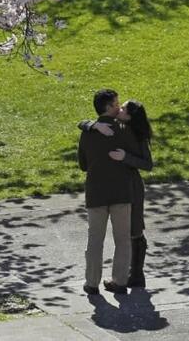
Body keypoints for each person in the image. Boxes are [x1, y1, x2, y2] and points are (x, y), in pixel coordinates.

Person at [81, 99, 154, 287]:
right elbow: (83, 123)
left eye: (122, 108)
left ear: (129, 116)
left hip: (132, 186)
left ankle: (136, 273)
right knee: (126, 234)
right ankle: (128, 276)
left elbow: (147, 164)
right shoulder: (118, 128)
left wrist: (125, 157)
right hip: (121, 186)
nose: (118, 108)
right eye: (117, 106)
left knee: (134, 230)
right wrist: (92, 124)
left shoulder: (135, 134)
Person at [77, 89, 133, 295]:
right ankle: (119, 281)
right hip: (121, 191)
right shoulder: (123, 129)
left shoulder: (88, 133)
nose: (119, 106)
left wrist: (90, 125)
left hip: (96, 192)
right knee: (122, 239)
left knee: (95, 240)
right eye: (116, 103)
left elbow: (82, 164)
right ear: (109, 107)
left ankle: (92, 283)